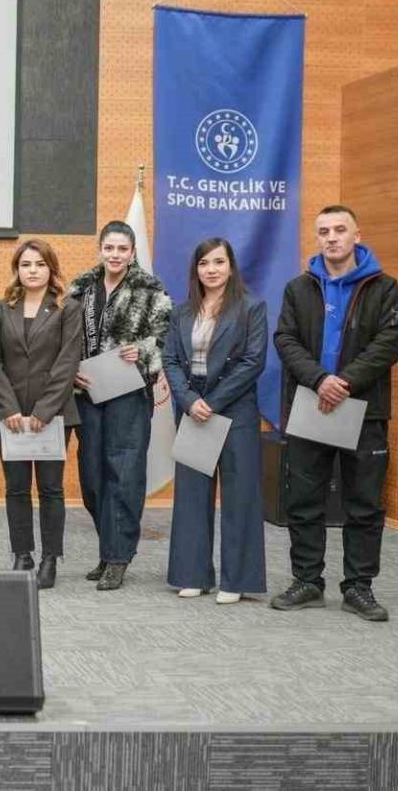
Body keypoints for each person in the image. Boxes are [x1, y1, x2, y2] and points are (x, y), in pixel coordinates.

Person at [271, 205, 398, 622]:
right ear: (317, 238)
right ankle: (308, 581)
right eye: (324, 231)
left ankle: (358, 587)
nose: (332, 237)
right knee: (304, 501)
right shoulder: (298, 288)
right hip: (311, 405)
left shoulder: (384, 288)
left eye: (340, 230)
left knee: (363, 503)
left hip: (362, 409)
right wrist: (319, 380)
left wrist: (342, 382)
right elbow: (285, 339)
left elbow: (389, 342)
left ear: (356, 235)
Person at [67, 221, 172, 591]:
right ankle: (108, 547)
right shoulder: (80, 289)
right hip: (88, 392)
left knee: (124, 476)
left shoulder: (151, 289)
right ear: (100, 249)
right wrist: (70, 371)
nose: (115, 255)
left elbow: (166, 338)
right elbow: (64, 339)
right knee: (92, 478)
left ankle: (118, 557)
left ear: (132, 252)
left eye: (122, 249)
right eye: (109, 248)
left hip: (129, 393)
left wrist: (141, 350)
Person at [162, 237, 268, 604]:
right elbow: (170, 360)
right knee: (191, 495)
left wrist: (212, 401)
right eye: (204, 263)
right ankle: (192, 574)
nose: (212, 269)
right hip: (193, 411)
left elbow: (253, 362)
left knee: (240, 496)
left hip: (235, 412)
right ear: (196, 269)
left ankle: (236, 580)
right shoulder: (181, 312)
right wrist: (190, 401)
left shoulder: (251, 308)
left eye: (219, 262)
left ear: (231, 266)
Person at [0, 239, 84, 589]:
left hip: (53, 415)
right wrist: (8, 407)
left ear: (51, 269)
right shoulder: (1, 309)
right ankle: (22, 554)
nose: (33, 270)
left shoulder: (68, 309)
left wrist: (44, 410)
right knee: (16, 488)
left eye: (40, 264)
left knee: (51, 489)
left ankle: (49, 559)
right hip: (10, 416)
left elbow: (68, 362)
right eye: (26, 264)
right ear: (17, 270)